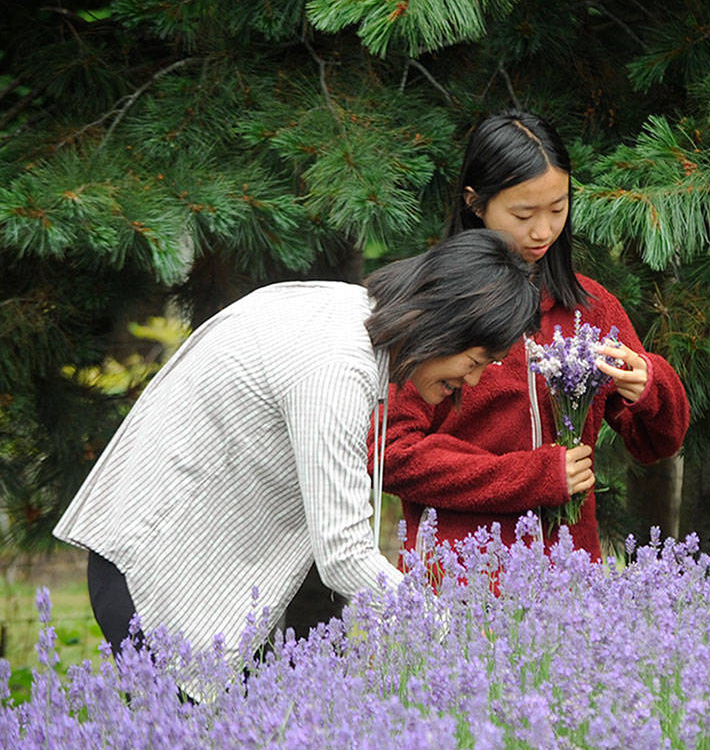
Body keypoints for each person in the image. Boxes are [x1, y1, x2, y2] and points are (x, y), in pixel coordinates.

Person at [54, 229, 541, 682]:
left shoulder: (349, 312)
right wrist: (454, 635)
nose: (473, 381)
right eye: (475, 362)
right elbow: (343, 553)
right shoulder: (337, 366)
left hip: (188, 568)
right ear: (443, 324)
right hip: (159, 576)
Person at [379, 109, 690, 566]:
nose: (543, 231)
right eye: (523, 213)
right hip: (460, 582)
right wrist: (533, 476)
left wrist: (650, 386)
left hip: (568, 580)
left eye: (558, 209)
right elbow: (392, 454)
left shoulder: (589, 309)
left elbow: (656, 443)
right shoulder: (436, 304)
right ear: (475, 202)